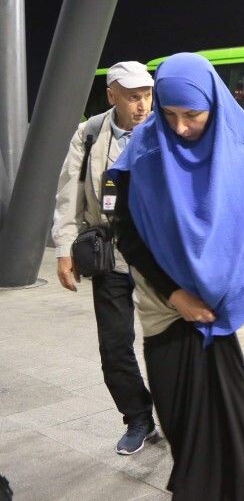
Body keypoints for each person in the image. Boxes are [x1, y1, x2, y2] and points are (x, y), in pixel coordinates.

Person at [109, 53, 244, 499]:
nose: (179, 128)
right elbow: (128, 233)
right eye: (169, 114)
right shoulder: (144, 152)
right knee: (183, 430)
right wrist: (175, 294)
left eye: (192, 115)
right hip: (170, 312)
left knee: (235, 436)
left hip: (238, 310)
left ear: (214, 102)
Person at [52, 61, 157, 455]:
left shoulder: (164, 129)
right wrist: (64, 250)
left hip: (156, 254)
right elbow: (69, 195)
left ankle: (177, 412)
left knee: (166, 340)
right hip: (109, 253)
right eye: (132, 97)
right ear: (112, 95)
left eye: (147, 95)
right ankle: (138, 417)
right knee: (114, 346)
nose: (142, 105)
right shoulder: (91, 133)